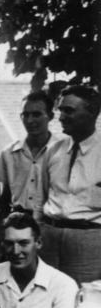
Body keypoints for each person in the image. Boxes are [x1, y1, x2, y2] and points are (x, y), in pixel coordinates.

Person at [35, 85, 101, 285]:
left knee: (85, 306)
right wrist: (39, 232)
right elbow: (40, 199)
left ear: (91, 113)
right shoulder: (54, 150)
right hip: (48, 238)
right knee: (44, 300)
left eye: (69, 110)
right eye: (61, 110)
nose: (61, 116)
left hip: (89, 242)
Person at [0, 91, 60, 256]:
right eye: (25, 115)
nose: (30, 120)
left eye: (37, 114)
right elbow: (4, 199)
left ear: (50, 116)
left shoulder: (62, 152)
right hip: (16, 226)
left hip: (48, 227)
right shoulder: (9, 153)